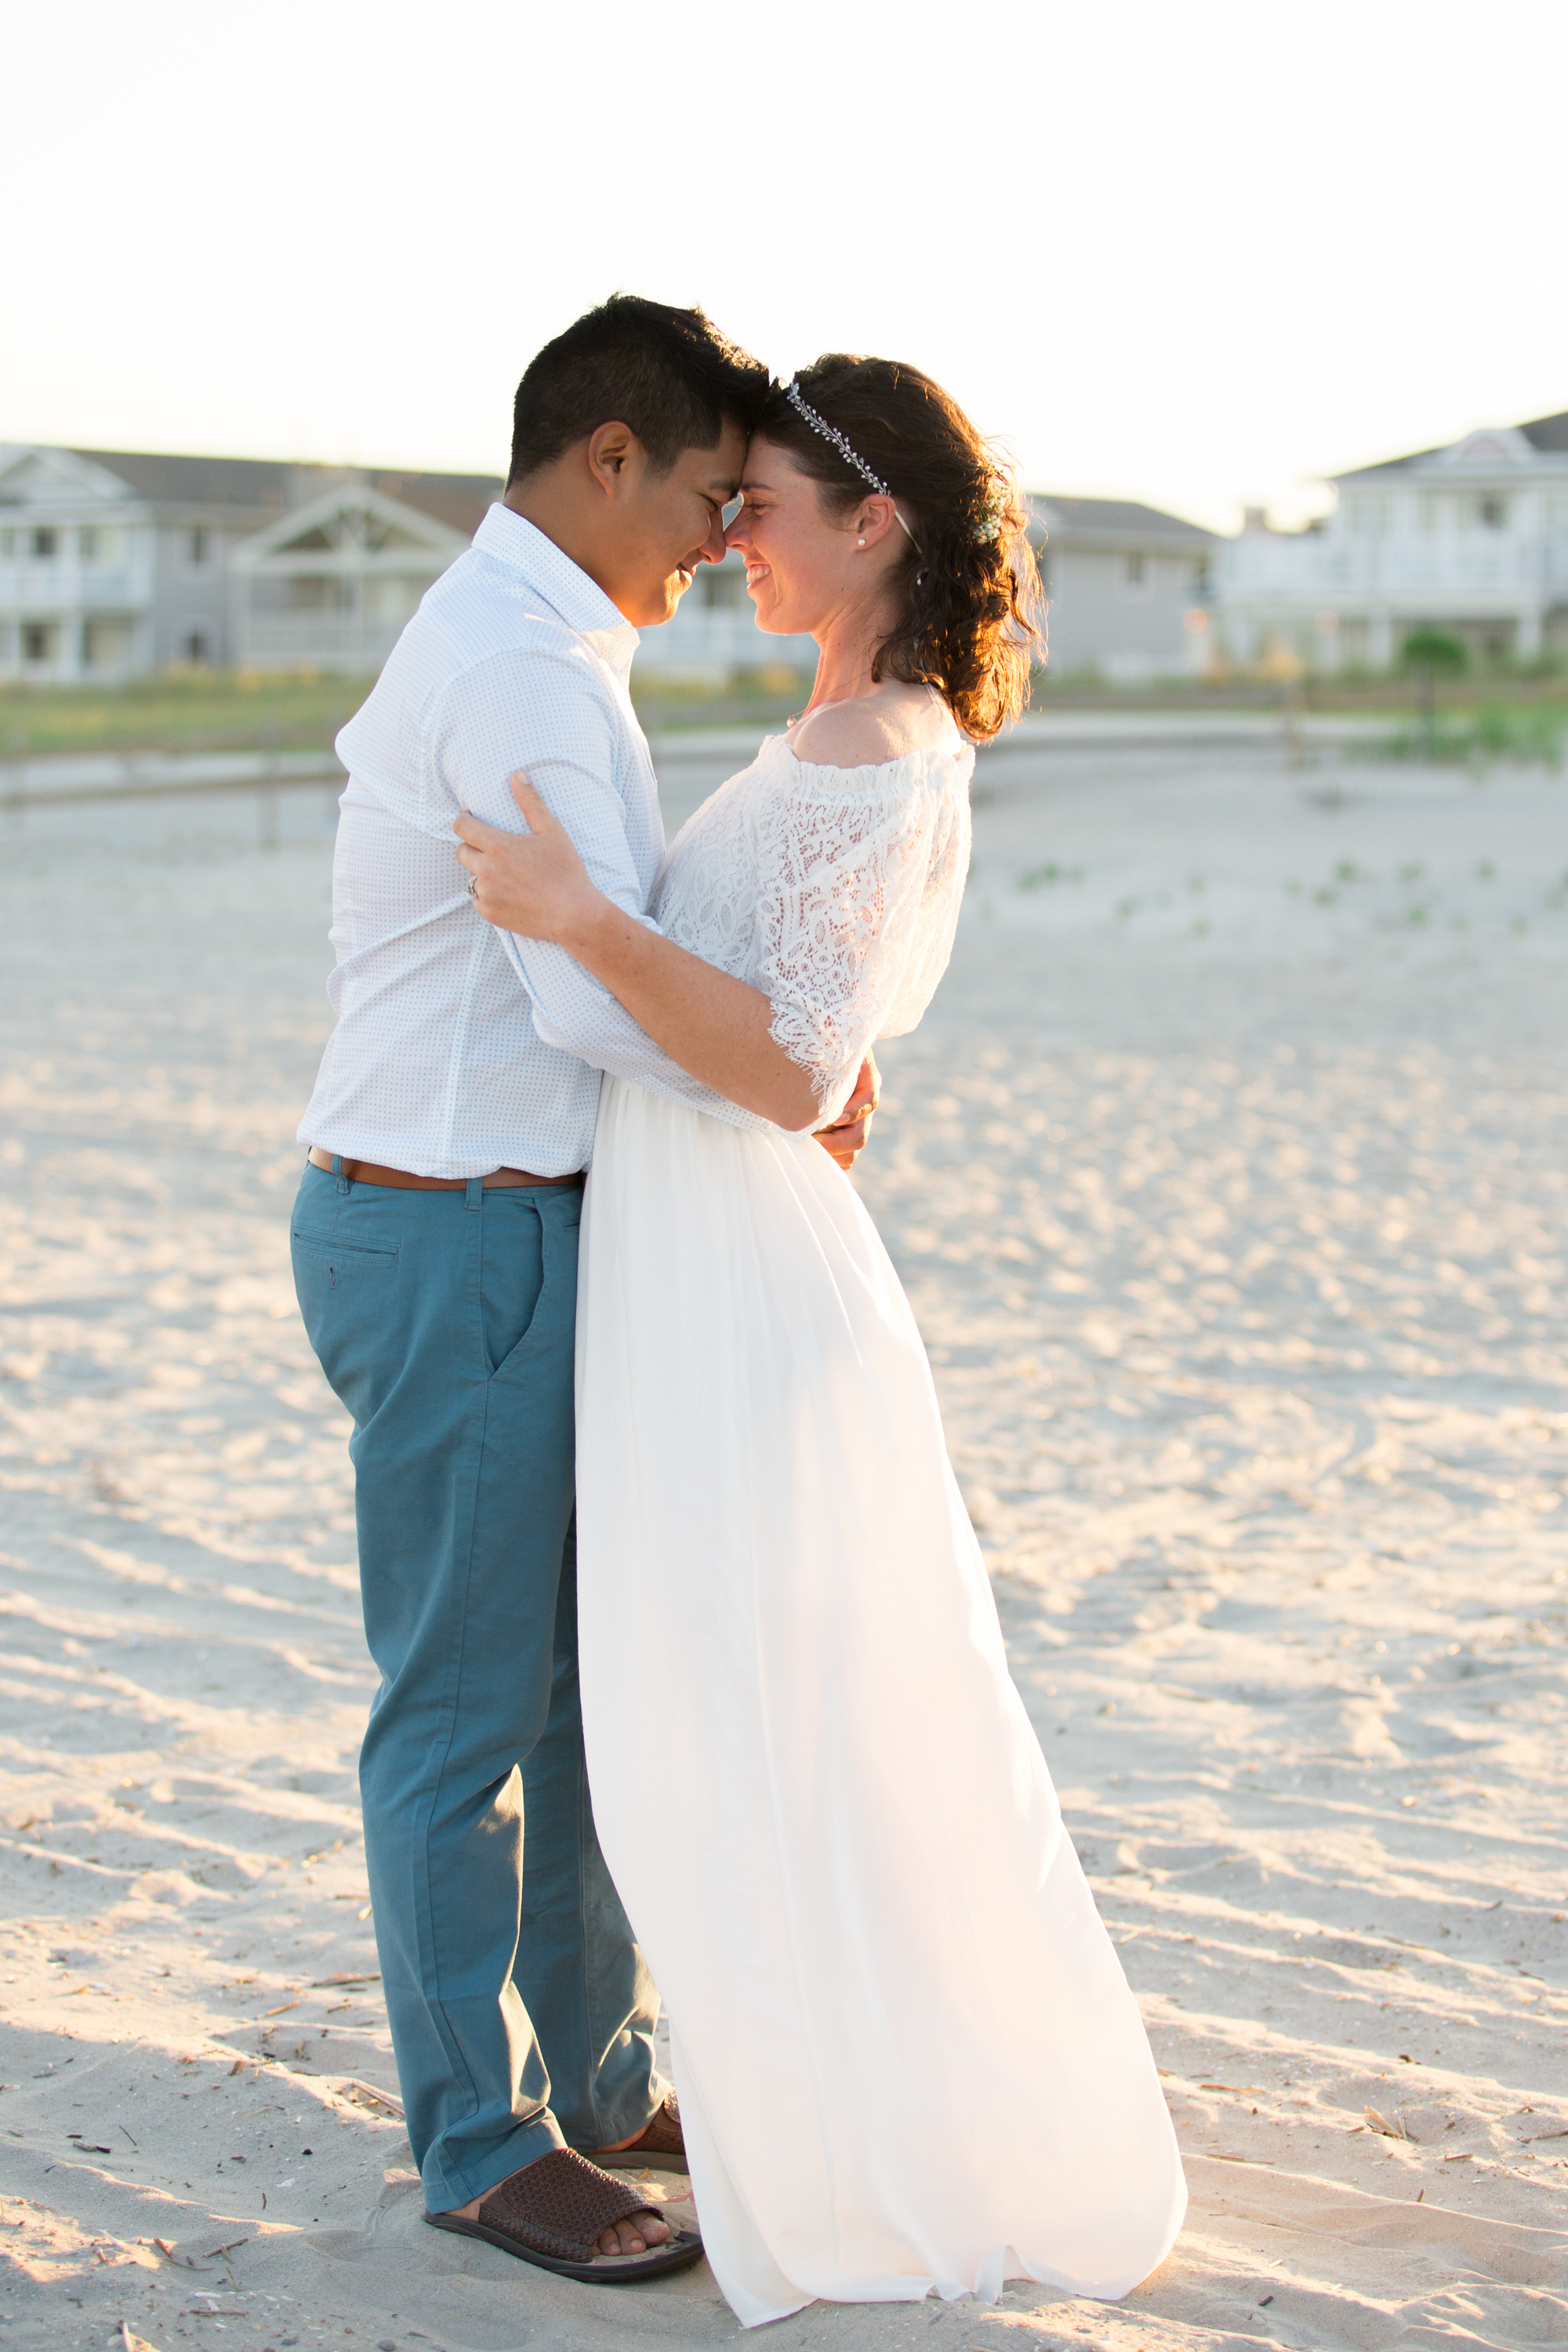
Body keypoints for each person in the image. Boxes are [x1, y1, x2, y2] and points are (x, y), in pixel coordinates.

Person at [455, 356, 1188, 2325]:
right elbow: (810, 1027)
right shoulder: (844, 724)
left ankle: (863, 2128)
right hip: (701, 1248)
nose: (731, 530)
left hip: (742, 1260)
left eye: (763, 499)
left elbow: (782, 1067)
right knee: (746, 1704)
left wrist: (579, 922)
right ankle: (803, 2093)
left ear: (873, 522)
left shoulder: (875, 737)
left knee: (770, 1711)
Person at [289, 296, 880, 2285]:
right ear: (605, 460)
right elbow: (574, 980)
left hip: (501, 1218)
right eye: (711, 495)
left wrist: (780, 1063)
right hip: (456, 1226)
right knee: (462, 1718)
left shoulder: (541, 642)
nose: (724, 541)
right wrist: (779, 1077)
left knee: (568, 1684)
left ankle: (602, 2075)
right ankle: (477, 2140)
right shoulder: (526, 677)